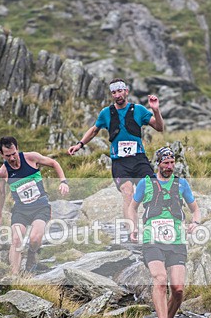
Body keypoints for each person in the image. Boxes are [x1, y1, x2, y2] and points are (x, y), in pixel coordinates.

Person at [125, 147, 201, 318]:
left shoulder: (181, 184)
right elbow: (132, 208)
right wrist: (133, 227)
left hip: (176, 241)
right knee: (160, 279)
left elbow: (195, 209)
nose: (169, 167)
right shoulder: (146, 183)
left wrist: (195, 222)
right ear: (157, 163)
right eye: (165, 163)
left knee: (178, 289)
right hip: (153, 240)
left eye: (172, 163)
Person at [67, 78, 164, 218]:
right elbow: (94, 130)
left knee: (152, 189)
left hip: (139, 159)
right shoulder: (106, 113)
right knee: (127, 191)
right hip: (120, 162)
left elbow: (159, 127)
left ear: (126, 91)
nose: (117, 95)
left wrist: (155, 110)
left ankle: (154, 222)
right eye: (114, 92)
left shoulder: (138, 110)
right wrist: (79, 144)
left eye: (120, 91)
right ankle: (132, 232)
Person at [0, 136, 69, 275]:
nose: (12, 158)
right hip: (21, 210)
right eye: (8, 156)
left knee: (34, 238)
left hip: (40, 207)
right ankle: (14, 276)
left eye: (14, 153)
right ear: (2, 155)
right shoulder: (3, 172)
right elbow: (1, 193)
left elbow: (54, 163)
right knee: (16, 239)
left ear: (17, 149)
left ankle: (32, 255)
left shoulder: (31, 158)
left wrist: (63, 181)